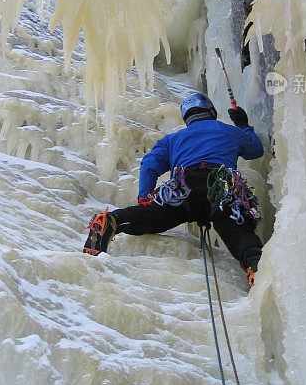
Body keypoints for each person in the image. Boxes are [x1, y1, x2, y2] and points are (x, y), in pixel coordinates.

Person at [83, 92, 265, 286]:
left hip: (184, 188)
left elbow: (149, 165)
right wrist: (243, 125)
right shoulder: (230, 132)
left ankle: (111, 221)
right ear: (211, 111)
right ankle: (256, 267)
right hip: (221, 187)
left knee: (151, 217)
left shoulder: (172, 139)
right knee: (239, 234)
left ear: (187, 117)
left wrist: (145, 198)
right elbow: (256, 149)